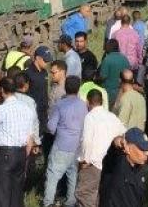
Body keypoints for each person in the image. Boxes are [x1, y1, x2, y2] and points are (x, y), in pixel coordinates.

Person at [0, 77, 37, 207]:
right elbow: (30, 138)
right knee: (16, 196)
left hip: (4, 155)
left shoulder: (1, 109)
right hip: (21, 153)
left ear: (2, 90)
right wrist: (25, 157)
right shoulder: (27, 109)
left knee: (1, 196)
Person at [77, 90, 126, 207]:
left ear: (88, 102)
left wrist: (84, 160)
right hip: (107, 164)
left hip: (92, 163)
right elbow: (124, 132)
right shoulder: (112, 116)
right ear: (102, 102)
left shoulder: (90, 117)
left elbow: (87, 141)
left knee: (85, 196)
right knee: (98, 195)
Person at [44, 76, 86, 207]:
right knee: (72, 175)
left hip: (61, 145)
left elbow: (51, 128)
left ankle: (48, 203)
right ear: (78, 88)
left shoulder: (60, 105)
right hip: (76, 146)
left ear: (65, 88)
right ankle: (70, 202)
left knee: (52, 176)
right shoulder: (83, 105)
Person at [99, 127, 148, 207]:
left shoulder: (142, 169)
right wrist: (120, 141)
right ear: (127, 147)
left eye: (147, 149)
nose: (147, 153)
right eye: (142, 149)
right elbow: (114, 147)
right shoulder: (117, 163)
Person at [26, 46, 54, 129]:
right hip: (33, 113)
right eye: (45, 60)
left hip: (44, 112)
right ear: (37, 58)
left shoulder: (44, 72)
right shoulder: (27, 73)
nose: (47, 62)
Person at [99, 39, 130, 107]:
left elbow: (103, 76)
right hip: (123, 92)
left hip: (109, 93)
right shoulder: (125, 59)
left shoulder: (107, 59)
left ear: (108, 48)